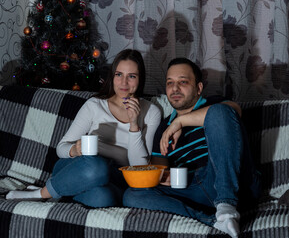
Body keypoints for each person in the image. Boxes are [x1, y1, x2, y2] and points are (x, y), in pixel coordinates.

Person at [123, 58, 261, 237]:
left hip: (232, 181)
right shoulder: (163, 128)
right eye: (170, 83)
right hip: (194, 190)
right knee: (131, 195)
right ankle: (215, 221)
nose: (175, 88)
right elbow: (158, 170)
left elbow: (232, 112)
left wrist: (180, 121)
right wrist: (163, 176)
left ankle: (226, 204)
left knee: (218, 113)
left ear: (199, 88)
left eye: (183, 82)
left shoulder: (215, 104)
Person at [6, 49, 162, 208]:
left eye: (132, 76)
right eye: (119, 74)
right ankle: (40, 194)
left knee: (104, 199)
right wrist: (75, 150)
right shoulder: (95, 105)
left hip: (114, 179)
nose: (124, 83)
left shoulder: (151, 112)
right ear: (112, 76)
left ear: (140, 78)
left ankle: (61, 191)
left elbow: (139, 168)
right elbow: (61, 148)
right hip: (80, 166)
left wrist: (134, 125)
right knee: (98, 166)